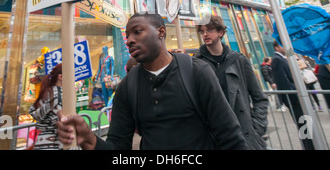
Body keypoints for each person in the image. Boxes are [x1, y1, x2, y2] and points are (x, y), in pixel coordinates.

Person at [57, 13, 249, 150]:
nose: (129, 40)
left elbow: (230, 136)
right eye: (127, 36)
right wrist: (90, 141)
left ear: (161, 32)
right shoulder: (127, 88)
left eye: (137, 32)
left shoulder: (198, 71)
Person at [195, 15, 268, 150]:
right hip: (214, 136)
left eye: (209, 30)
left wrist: (256, 128)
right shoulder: (196, 63)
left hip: (243, 135)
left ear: (220, 32)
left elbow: (260, 98)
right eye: (202, 31)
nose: (205, 34)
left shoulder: (239, 60)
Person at [271, 40, 314, 150]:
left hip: (296, 98)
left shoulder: (282, 59)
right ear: (277, 47)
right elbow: (282, 81)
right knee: (303, 125)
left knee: (306, 124)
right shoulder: (277, 59)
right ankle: (309, 146)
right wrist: (292, 97)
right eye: (282, 45)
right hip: (294, 99)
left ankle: (311, 145)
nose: (285, 47)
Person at [28, 63, 63, 150]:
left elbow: (32, 110)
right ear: (61, 77)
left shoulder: (48, 91)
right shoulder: (60, 95)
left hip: (42, 141)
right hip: (55, 143)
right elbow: (61, 121)